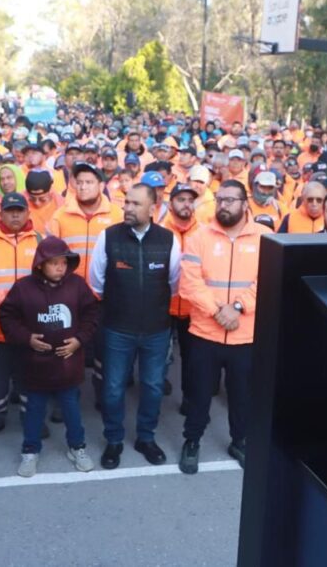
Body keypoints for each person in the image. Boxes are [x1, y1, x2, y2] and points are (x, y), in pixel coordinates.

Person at [89, 184, 180, 469]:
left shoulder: (168, 240)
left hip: (156, 330)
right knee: (113, 388)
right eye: (126, 202)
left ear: (153, 208)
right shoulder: (108, 237)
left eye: (136, 204)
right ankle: (114, 439)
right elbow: (96, 283)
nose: (128, 208)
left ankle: (146, 438)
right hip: (117, 328)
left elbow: (174, 283)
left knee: (152, 387)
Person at [0, 236, 100, 477]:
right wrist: (26, 338)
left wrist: (79, 340)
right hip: (36, 366)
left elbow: (92, 313)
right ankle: (30, 451)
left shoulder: (77, 285)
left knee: (71, 409)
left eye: (64, 263)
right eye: (54, 263)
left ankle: (77, 447)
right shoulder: (23, 288)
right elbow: (6, 317)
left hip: (68, 364)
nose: (60, 268)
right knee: (34, 411)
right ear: (40, 264)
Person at [178, 179, 262, 474]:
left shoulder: (264, 237)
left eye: (230, 200)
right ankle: (192, 441)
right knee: (199, 395)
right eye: (220, 200)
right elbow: (189, 283)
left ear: (244, 203)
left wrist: (238, 307)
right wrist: (218, 311)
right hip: (205, 333)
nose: (223, 205)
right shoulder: (199, 237)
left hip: (245, 335)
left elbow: (267, 279)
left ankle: (239, 440)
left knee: (242, 396)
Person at [0, 192, 42, 443]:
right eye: (10, 211)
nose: (15, 215)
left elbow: (47, 279)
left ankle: (32, 418)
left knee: (30, 373)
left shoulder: (40, 240)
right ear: (0, 214)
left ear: (27, 213)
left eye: (19, 211)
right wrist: (8, 301)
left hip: (29, 324)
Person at [162, 183, 201, 414]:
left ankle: (189, 399)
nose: (186, 204)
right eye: (181, 199)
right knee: (159, 355)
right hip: (163, 305)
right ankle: (157, 389)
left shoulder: (204, 232)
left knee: (192, 358)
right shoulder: (159, 231)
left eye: (190, 200)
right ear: (170, 204)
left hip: (192, 308)